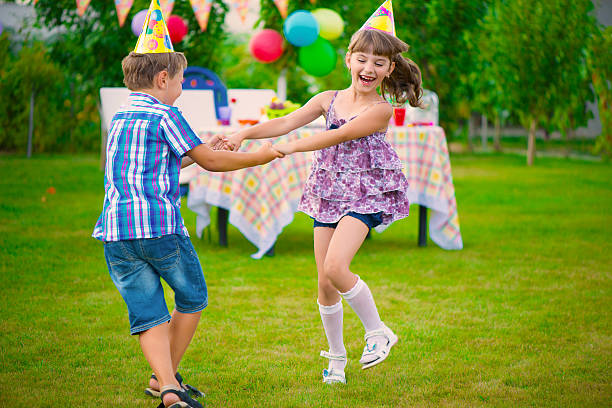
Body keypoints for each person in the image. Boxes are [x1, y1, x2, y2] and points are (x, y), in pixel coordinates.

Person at [222, 1, 423, 385]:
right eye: (362, 59)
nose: (369, 69)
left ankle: (378, 331)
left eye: (379, 63)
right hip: (329, 193)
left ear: (390, 68)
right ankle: (336, 358)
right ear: (348, 59)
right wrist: (243, 133)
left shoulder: (381, 110)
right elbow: (286, 120)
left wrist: (292, 147)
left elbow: (339, 134)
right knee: (324, 282)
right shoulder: (327, 99)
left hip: (365, 194)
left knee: (336, 267)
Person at [92, 2, 282, 407]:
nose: (182, 88)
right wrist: (259, 156)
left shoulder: (123, 117)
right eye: (180, 80)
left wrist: (197, 150)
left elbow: (149, 162)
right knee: (192, 296)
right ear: (164, 78)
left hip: (117, 234)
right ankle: (166, 382)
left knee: (148, 312)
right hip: (159, 229)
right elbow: (213, 164)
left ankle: (167, 386)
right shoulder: (167, 113)